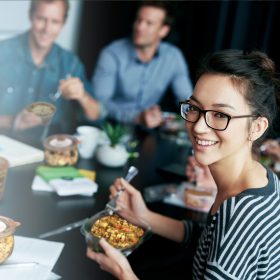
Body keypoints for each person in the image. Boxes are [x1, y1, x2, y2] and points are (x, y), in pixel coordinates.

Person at [87, 49, 280, 279]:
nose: (198, 126)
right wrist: (144, 216)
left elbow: (228, 238)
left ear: (257, 127)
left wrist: (123, 272)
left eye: (220, 115)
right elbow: (210, 238)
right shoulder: (262, 178)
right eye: (195, 108)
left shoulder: (241, 216)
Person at [0, 0, 101, 135]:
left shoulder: (70, 64)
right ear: (31, 16)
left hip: (49, 150)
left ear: (63, 24)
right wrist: (12, 121)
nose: (47, 29)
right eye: (41, 19)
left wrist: (82, 96)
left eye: (55, 22)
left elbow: (96, 115)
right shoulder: (3, 52)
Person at [91, 1, 192, 128]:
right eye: (139, 20)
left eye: (148, 23)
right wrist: (137, 117)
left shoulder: (173, 56)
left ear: (163, 30)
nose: (139, 27)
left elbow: (186, 99)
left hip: (148, 132)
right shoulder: (111, 54)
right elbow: (100, 103)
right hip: (110, 128)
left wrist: (194, 117)